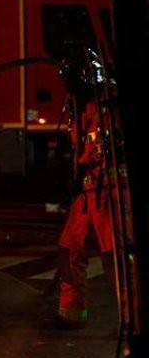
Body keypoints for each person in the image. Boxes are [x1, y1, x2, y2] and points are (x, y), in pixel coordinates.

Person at [56, 47, 114, 329]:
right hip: (86, 190)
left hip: (110, 190)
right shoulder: (77, 103)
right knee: (69, 249)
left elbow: (97, 148)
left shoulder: (109, 103)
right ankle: (71, 313)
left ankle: (133, 320)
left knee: (115, 257)